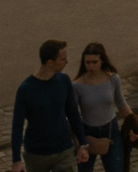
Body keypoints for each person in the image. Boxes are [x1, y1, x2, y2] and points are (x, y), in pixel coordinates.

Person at [12, 40, 89, 172]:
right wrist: (16, 160)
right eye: (63, 59)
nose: (67, 62)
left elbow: (73, 114)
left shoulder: (63, 81)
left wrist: (82, 143)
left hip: (63, 149)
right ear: (50, 62)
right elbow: (17, 126)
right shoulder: (26, 89)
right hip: (36, 154)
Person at [73, 44, 128, 172]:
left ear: (102, 61)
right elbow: (73, 114)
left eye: (94, 62)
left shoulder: (112, 79)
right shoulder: (77, 86)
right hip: (87, 132)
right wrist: (78, 142)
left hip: (110, 130)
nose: (91, 66)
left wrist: (134, 123)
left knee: (116, 168)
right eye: (88, 62)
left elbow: (121, 103)